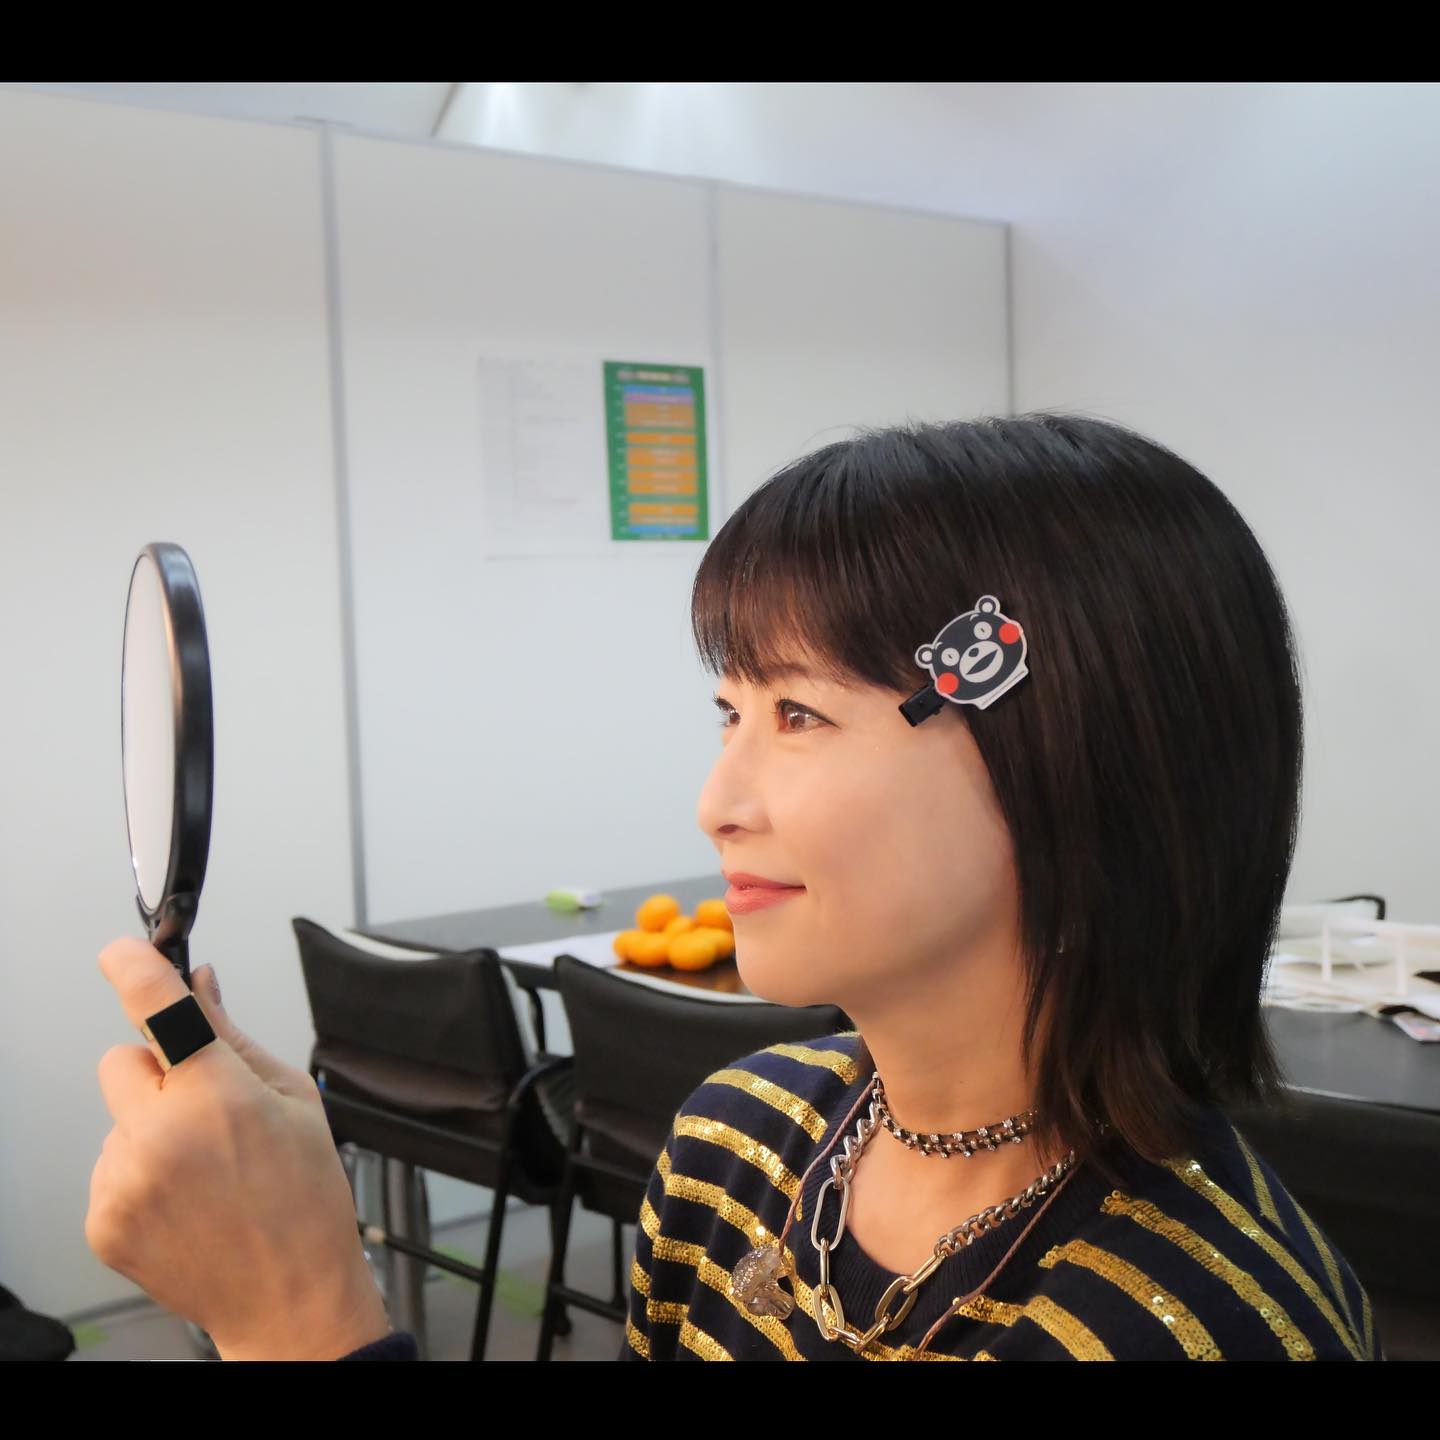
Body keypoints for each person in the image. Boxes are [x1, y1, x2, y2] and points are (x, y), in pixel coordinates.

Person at [87, 414, 1381, 1361]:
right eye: (730, 713)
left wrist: (297, 1313)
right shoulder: (735, 1141)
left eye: (801, 715)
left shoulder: (1191, 1318)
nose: (718, 802)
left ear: (1074, 760)